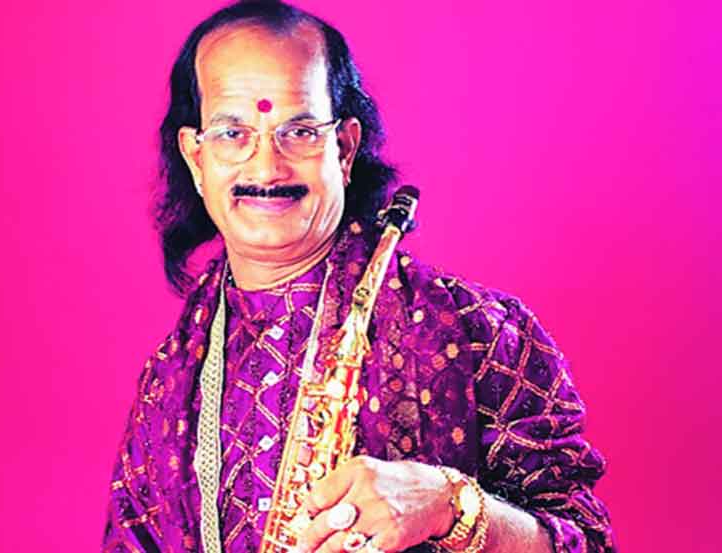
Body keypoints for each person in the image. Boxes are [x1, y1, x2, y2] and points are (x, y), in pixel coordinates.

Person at [102, 2, 615, 553]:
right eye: (233, 133)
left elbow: (587, 544)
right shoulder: (168, 385)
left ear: (344, 148)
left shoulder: (482, 332)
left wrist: (452, 508)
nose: (266, 166)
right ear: (195, 157)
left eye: (300, 131)